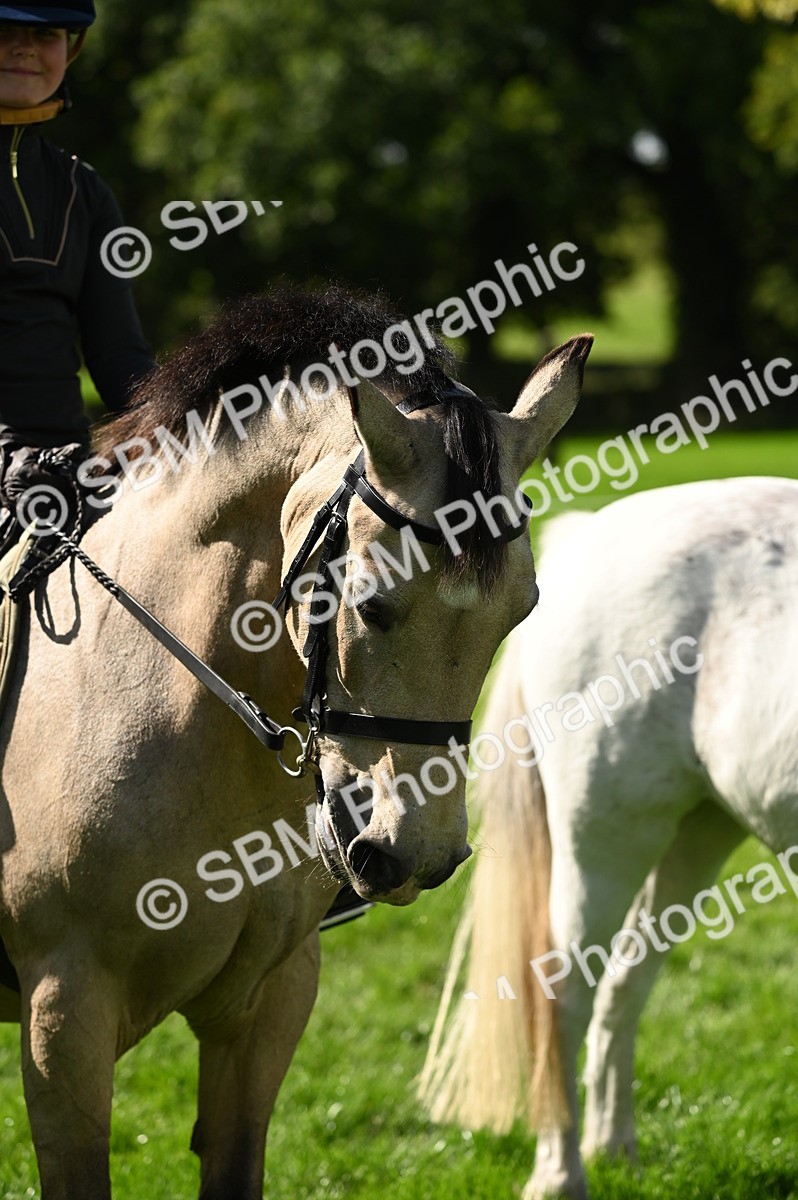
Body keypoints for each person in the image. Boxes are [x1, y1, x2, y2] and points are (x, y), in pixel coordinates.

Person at [0, 0, 154, 536]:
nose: (24, 48)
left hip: (63, 472)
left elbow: (119, 360)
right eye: (5, 29)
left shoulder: (84, 190)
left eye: (46, 35)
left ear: (72, 48)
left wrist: (195, 420)